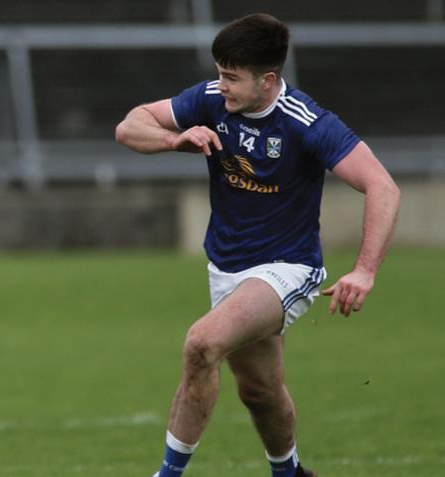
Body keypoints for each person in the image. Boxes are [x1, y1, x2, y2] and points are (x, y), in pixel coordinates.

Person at [115, 13, 399, 477]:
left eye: (231, 77)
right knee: (259, 392)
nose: (220, 84)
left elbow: (383, 187)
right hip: (227, 268)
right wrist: (176, 139)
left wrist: (365, 270)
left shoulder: (306, 123)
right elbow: (129, 127)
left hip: (287, 268)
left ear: (267, 81)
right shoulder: (210, 101)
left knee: (201, 343)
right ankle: (290, 473)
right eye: (218, 73)